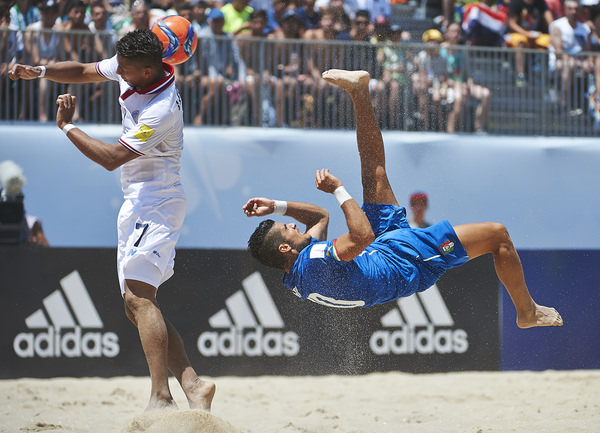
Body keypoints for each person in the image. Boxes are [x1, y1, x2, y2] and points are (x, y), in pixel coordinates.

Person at [243, 68, 563, 330]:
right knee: (498, 235)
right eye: (288, 228)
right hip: (407, 263)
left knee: (374, 172)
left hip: (382, 249)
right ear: (286, 247)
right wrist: (339, 189)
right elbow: (361, 235)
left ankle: (358, 91)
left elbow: (319, 219)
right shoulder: (313, 262)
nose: (293, 226)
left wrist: (277, 205)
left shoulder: (296, 270)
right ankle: (526, 312)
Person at [8, 29, 215, 411]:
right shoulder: (134, 66)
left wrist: (67, 127)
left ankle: (160, 397)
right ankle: (194, 384)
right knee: (135, 304)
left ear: (150, 69)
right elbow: (86, 70)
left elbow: (110, 159)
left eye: (125, 69)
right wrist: (37, 71)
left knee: (139, 299)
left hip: (158, 200)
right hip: (138, 200)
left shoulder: (162, 108)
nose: (117, 72)